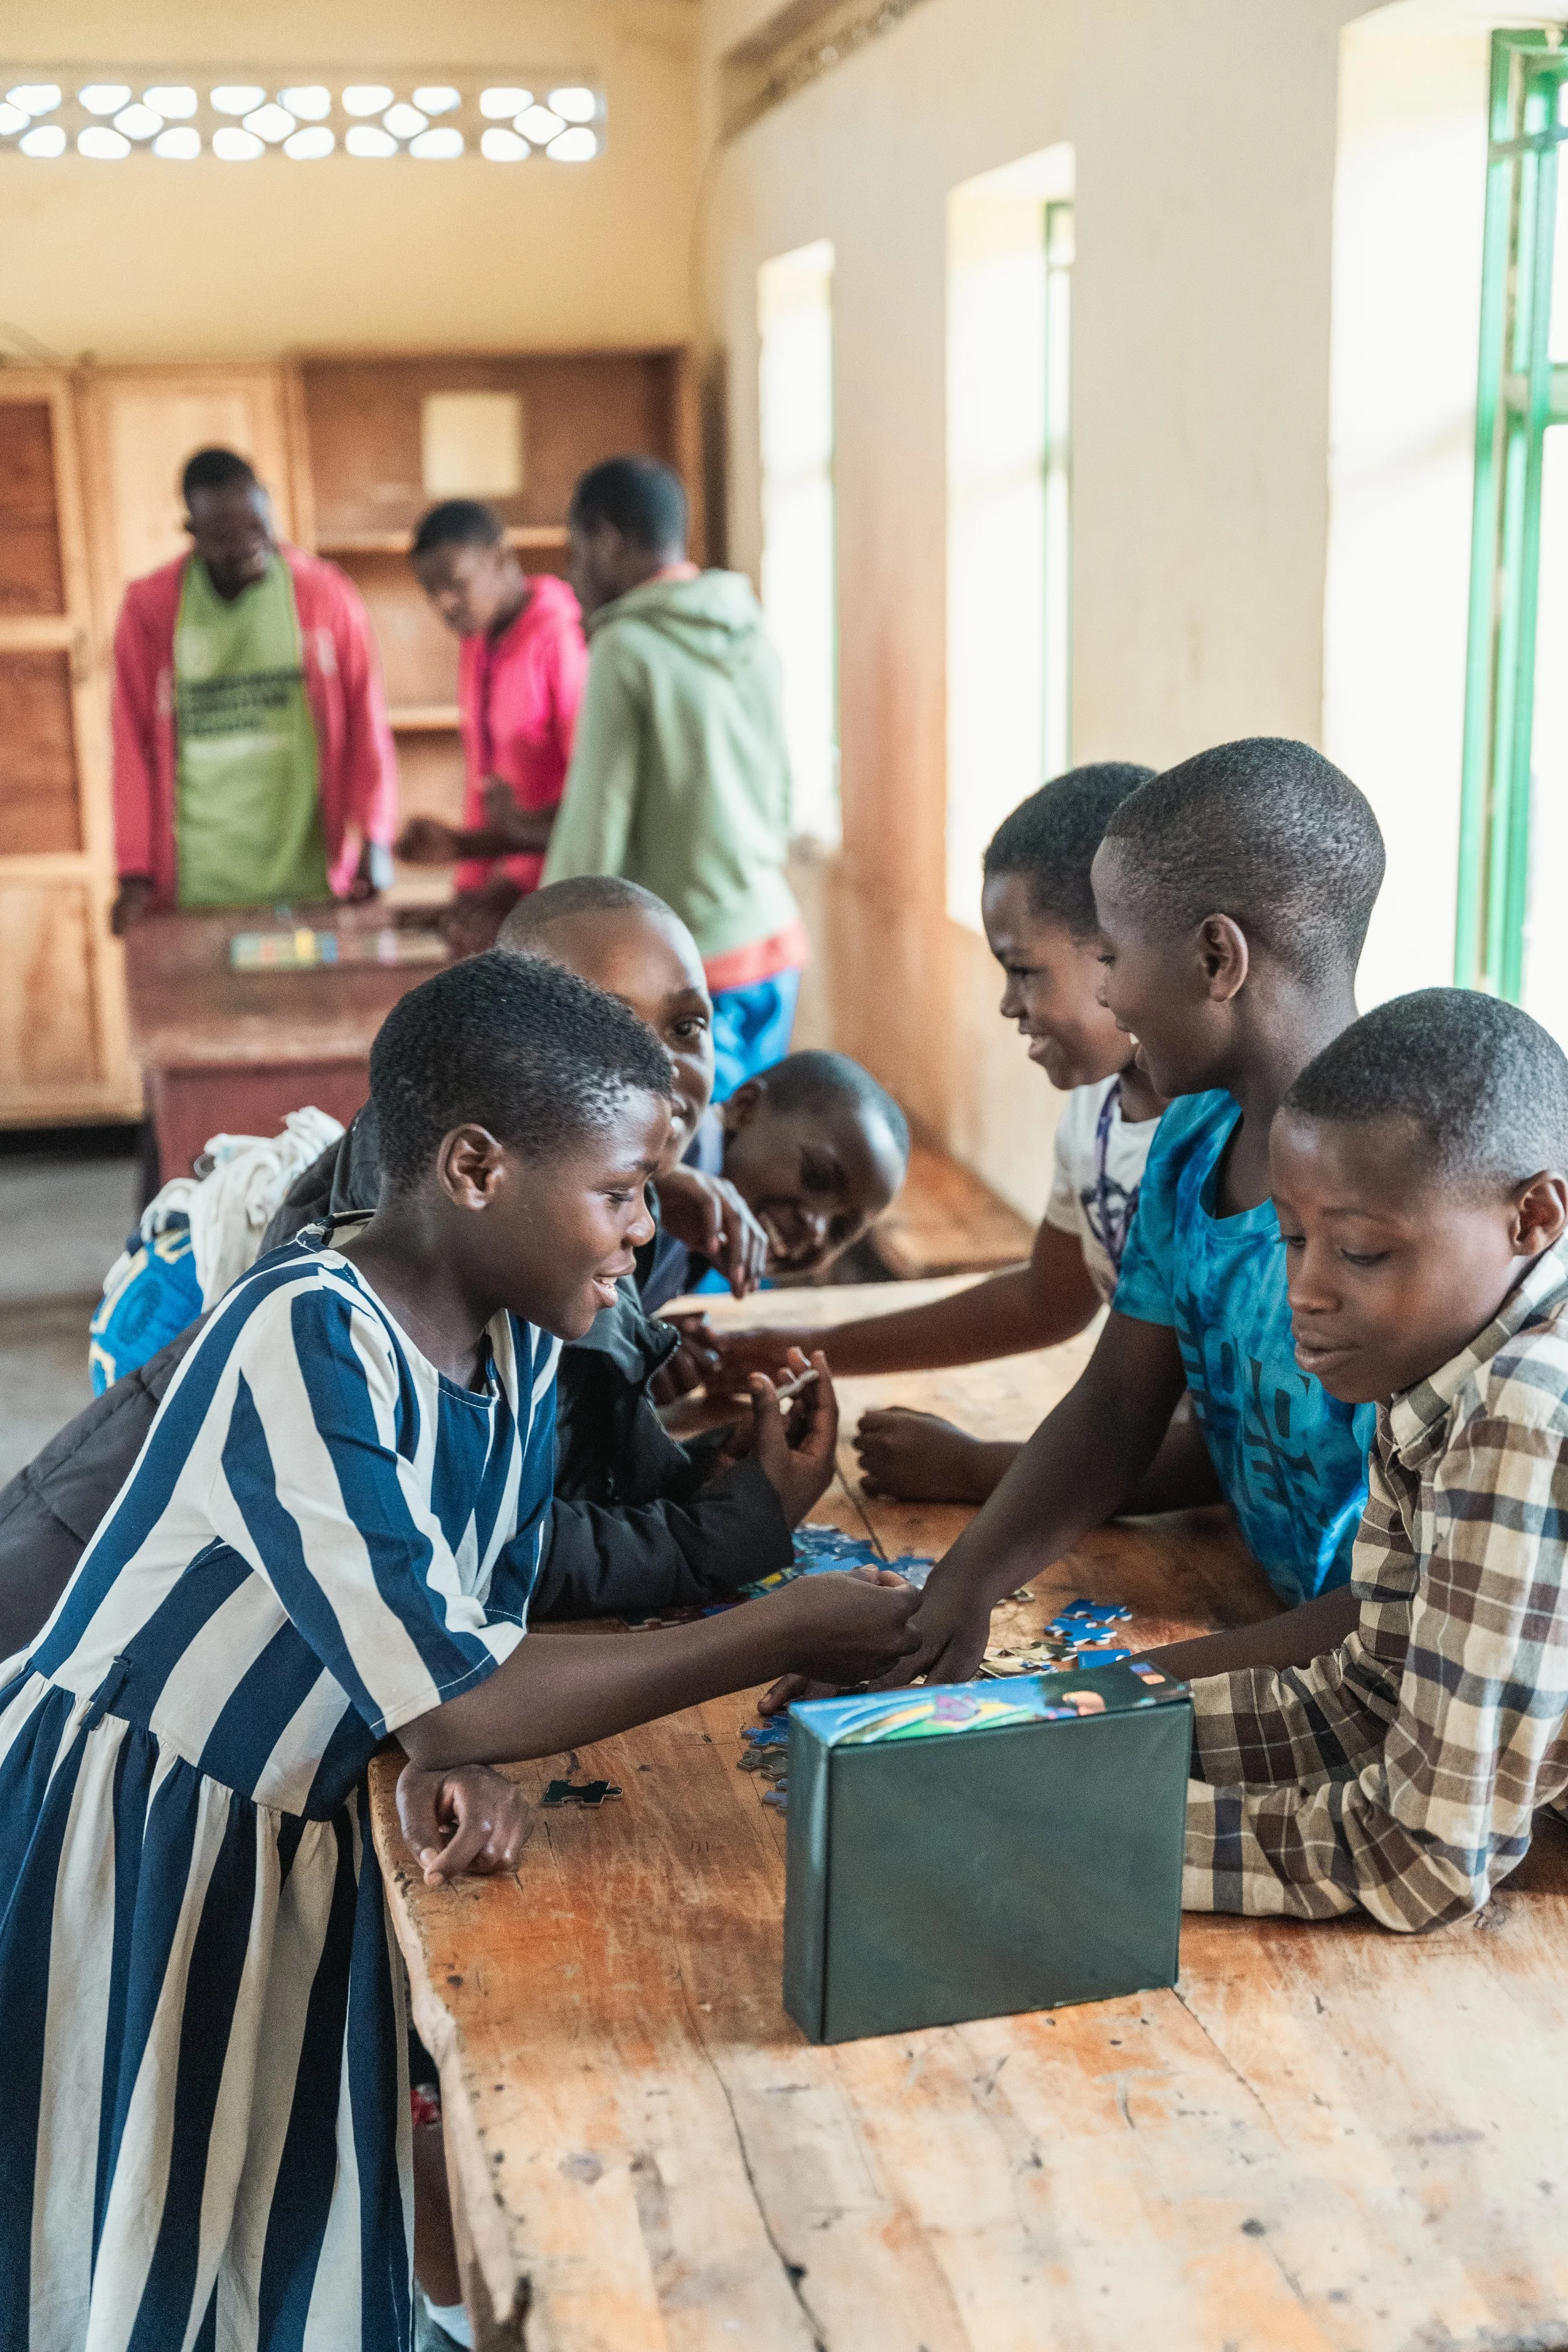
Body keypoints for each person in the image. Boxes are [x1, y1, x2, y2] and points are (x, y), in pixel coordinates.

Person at [0, 950, 918, 2351]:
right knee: (118, 2223)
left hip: (300, 1827)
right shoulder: (305, 1336)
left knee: (263, 2233)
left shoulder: (517, 1346)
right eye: (618, 1196)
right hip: (147, 1838)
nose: (635, 1240)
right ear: (478, 1169)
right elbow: (464, 1683)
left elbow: (458, 1619)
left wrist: (452, 1736)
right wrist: (773, 1626)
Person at [776, 738, 1387, 1710]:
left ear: (1216, 958)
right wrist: (957, 1593)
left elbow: (1406, 1616)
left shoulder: (1399, 1205)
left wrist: (1084, 1697)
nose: (1108, 992)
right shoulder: (1192, 1139)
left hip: (1390, 1690)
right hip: (1264, 1616)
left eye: (1119, 955)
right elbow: (1115, 1406)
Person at [1180, 988, 1568, 1930]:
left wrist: (1081, 1821)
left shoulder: (1527, 1401)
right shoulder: (1439, 1362)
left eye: (1360, 1251)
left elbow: (1419, 1864)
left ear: (1534, 1217)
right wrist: (1083, 1718)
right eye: (1293, 1236)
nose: (1304, 1291)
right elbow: (1368, 1696)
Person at [690, 763, 1173, 1501]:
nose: (1009, 1005)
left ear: (1119, 945)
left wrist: (981, 1470)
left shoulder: (1223, 1145)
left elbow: (1210, 1438)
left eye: (1023, 969)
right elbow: (1046, 1299)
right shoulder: (1099, 1110)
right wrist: (800, 1349)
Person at [540, 455, 807, 1098]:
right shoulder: (749, 630)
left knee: (679, 1166)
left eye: (576, 554)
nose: (573, 579)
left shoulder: (624, 648)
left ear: (604, 540)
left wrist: (536, 960)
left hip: (693, 967)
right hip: (775, 942)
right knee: (748, 1150)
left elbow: (590, 834)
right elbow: (780, 799)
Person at [110, 447, 398, 930]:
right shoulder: (150, 609)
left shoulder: (324, 595)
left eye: (257, 527)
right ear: (193, 535)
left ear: (268, 507)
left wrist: (375, 836)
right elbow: (129, 744)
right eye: (225, 537)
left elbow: (367, 721)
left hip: (309, 878)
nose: (247, 546)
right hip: (197, 884)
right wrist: (133, 874)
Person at [395, 499, 588, 953]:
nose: (444, 604)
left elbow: (588, 802)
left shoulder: (562, 639)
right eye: (431, 591)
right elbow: (487, 782)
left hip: (565, 899)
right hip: (513, 893)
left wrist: (511, 887)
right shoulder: (479, 642)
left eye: (457, 585)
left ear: (502, 560)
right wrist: (467, 891)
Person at [640, 1048, 912, 1315]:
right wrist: (646, 1185)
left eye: (840, 1229)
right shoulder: (675, 1158)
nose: (816, 1230)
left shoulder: (699, 1242)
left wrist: (649, 1338)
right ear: (745, 1109)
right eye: (816, 1176)